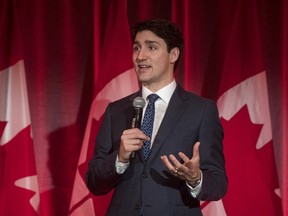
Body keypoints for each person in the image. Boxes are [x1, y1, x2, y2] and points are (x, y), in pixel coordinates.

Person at [86, 19, 227, 216]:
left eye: (151, 47)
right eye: (136, 48)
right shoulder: (115, 111)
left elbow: (218, 184)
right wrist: (119, 158)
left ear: (173, 54)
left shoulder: (202, 111)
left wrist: (196, 178)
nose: (140, 56)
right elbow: (94, 182)